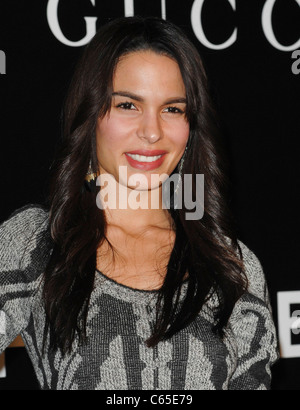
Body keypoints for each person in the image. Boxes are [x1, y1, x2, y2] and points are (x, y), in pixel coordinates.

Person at [0, 16, 278, 390]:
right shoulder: (36, 242)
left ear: (191, 127)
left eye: (173, 109)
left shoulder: (231, 264)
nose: (152, 131)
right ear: (91, 114)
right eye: (128, 105)